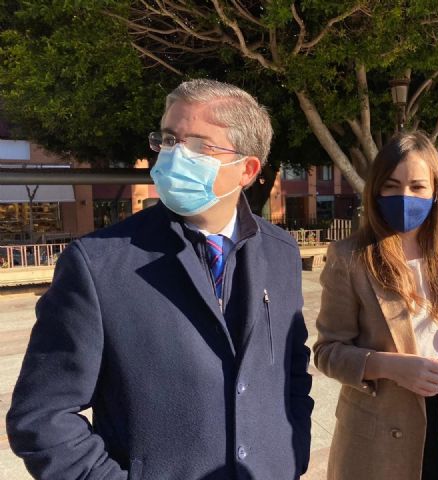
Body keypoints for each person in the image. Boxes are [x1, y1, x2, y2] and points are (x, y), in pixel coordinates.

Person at [7, 79, 313, 480]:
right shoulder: (98, 264)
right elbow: (42, 417)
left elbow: (292, 368)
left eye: (200, 145)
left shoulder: (281, 252)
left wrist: (292, 454)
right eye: (169, 139)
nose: (175, 156)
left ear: (247, 169)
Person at [314, 131, 438, 480]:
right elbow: (328, 352)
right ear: (376, 190)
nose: (405, 196)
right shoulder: (349, 257)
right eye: (392, 186)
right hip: (379, 438)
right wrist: (388, 366)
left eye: (417, 186)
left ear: (436, 192)